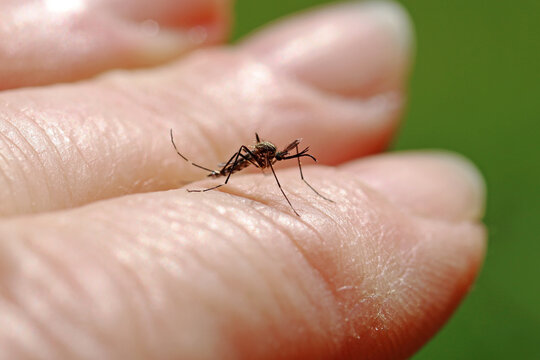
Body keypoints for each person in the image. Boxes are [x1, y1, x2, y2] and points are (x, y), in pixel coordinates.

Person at [0, 0, 486, 358]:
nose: (288, 158)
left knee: (289, 153)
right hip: (237, 164)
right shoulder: (258, 156)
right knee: (252, 158)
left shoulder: (279, 150)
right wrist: (233, 174)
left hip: (252, 158)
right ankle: (217, 176)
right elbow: (255, 154)